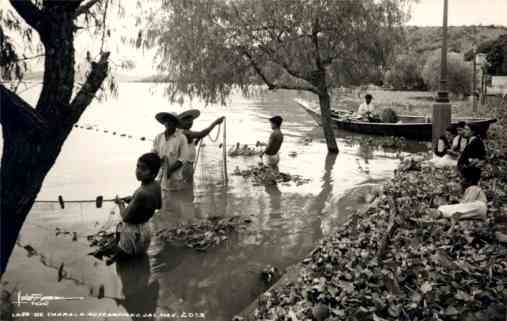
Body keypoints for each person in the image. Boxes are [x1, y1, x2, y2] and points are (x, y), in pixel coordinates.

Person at [90, 153, 162, 265]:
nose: (138, 171)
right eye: (137, 166)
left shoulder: (141, 192)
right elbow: (157, 205)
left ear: (153, 174)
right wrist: (133, 199)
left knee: (122, 265)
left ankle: (112, 258)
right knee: (136, 259)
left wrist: (120, 204)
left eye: (143, 169)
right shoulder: (156, 186)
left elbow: (125, 216)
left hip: (132, 232)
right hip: (147, 229)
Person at [177, 109, 225, 185]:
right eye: (188, 121)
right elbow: (202, 133)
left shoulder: (184, 132)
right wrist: (215, 123)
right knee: (187, 188)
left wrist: (196, 140)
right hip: (185, 165)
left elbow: (195, 137)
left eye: (191, 120)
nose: (190, 123)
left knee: (186, 188)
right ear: (181, 122)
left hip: (187, 165)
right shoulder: (184, 132)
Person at [152, 112, 189, 193]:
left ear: (175, 123)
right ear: (164, 122)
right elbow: (153, 154)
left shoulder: (181, 138)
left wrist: (169, 171)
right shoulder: (159, 137)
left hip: (175, 178)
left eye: (171, 120)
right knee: (162, 199)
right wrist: (158, 161)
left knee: (175, 200)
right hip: (160, 176)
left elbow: (183, 158)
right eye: (166, 120)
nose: (168, 122)